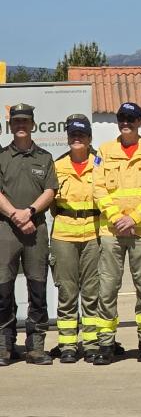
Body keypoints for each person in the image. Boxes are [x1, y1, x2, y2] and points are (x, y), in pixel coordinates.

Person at [92, 102, 141, 365]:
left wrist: (133, 218)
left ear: (140, 122)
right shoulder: (105, 151)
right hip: (111, 231)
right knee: (107, 288)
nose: (126, 123)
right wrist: (117, 218)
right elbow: (98, 188)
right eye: (122, 118)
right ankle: (105, 345)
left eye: (131, 119)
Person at [0, 104, 58, 366]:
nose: (21, 125)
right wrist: (16, 215)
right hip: (6, 229)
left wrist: (30, 212)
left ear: (33, 125)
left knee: (37, 288)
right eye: (16, 122)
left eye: (25, 121)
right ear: (10, 126)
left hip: (36, 229)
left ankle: (35, 346)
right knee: (3, 289)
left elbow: (50, 191)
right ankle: (5, 345)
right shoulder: (1, 157)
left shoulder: (45, 157)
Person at [50, 114, 101, 363]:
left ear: (89, 138)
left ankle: (91, 343)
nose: (76, 138)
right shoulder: (57, 166)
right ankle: (68, 344)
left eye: (81, 134)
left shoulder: (101, 164)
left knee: (92, 292)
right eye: (73, 134)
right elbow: (52, 203)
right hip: (64, 234)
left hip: (93, 233)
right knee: (67, 291)